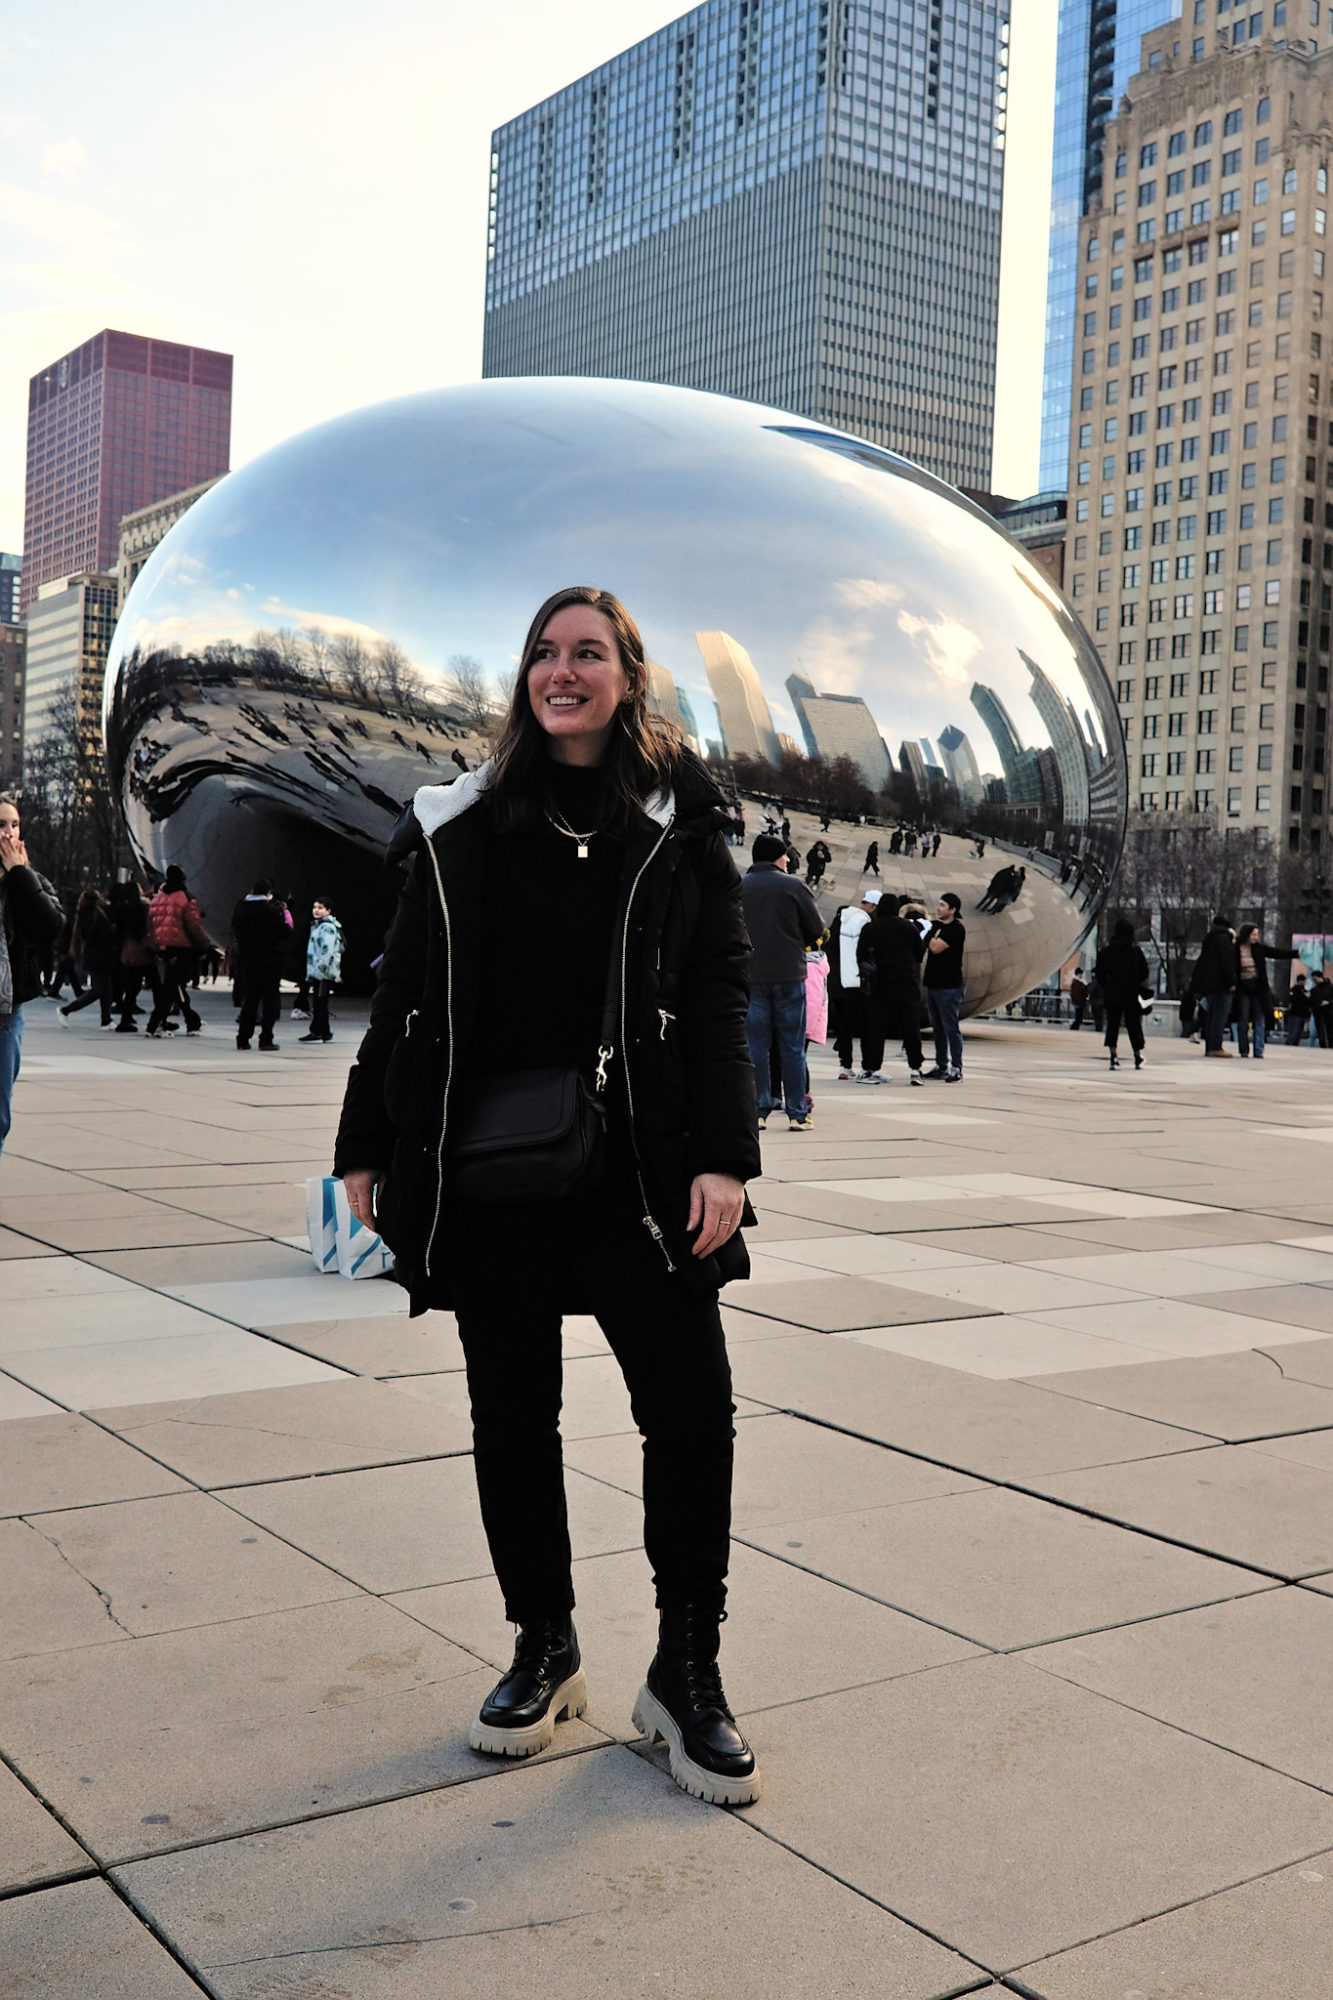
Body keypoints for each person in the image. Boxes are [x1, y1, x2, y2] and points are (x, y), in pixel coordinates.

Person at [334, 584, 762, 1808]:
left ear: (628, 675)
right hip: (490, 1171)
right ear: (523, 676)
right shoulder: (459, 822)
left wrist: (724, 1154)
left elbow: (725, 993)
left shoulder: (677, 824)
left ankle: (687, 1669)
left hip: (641, 1169)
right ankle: (545, 1644)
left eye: (588, 652)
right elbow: (402, 988)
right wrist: (364, 1142)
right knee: (511, 1416)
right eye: (543, 652)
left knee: (690, 1410)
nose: (561, 670)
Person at [742, 833, 824, 1131]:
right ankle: (798, 1113)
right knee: (791, 1047)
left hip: (752, 977)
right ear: (777, 857)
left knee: (756, 1047)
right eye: (786, 856)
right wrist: (793, 943)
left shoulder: (738, 886)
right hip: (790, 974)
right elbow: (817, 930)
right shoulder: (793, 885)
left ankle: (759, 1110)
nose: (789, 860)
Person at [0, 795, 63, 1157]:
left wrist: (20, 877)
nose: (8, 834)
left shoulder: (28, 881)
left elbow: (50, 928)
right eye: (1, 825)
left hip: (5, 1013)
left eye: (14, 825)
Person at [857, 892, 927, 1084]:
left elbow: (860, 955)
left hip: (879, 985)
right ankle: (915, 1069)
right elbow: (919, 953)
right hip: (906, 983)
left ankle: (871, 1068)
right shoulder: (909, 927)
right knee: (910, 1028)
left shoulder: (870, 928)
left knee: (875, 1028)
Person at [146, 866, 211, 1036]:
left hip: (162, 947)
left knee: (175, 986)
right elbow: (194, 926)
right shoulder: (186, 898)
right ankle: (155, 1025)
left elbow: (151, 923)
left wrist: (155, 944)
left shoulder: (158, 898)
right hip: (181, 947)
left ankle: (192, 1021)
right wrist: (204, 945)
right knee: (171, 988)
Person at [826, 891, 879, 1079]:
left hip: (838, 983)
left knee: (845, 1025)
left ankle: (845, 1065)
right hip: (857, 981)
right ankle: (867, 1066)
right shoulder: (863, 922)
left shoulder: (842, 920)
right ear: (873, 906)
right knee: (865, 1025)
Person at [232, 879, 288, 1051]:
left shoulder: (241, 909)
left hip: (249, 960)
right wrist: (284, 914)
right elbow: (285, 932)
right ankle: (265, 1039)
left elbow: (235, 930)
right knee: (270, 999)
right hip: (270, 961)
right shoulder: (270, 911)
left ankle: (243, 1038)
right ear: (268, 894)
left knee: (250, 999)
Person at [1232, 922, 1298, 1059]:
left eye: (1257, 934)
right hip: (1243, 987)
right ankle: (1243, 1049)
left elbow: (1276, 952)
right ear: (1246, 935)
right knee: (1242, 1018)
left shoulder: (1259, 949)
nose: (1256, 937)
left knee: (1259, 1018)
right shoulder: (1235, 949)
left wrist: (1295, 953)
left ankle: (1259, 1050)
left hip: (1258, 988)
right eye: (1253, 934)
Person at [1094, 920, 1150, 1071]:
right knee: (1133, 1025)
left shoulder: (1106, 952)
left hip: (1113, 993)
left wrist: (1108, 986)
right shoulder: (1135, 953)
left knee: (1112, 1025)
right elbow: (1144, 973)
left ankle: (1113, 1056)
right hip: (1131, 993)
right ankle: (1137, 1055)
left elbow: (1099, 975)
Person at [923, 892, 966, 1080]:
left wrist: (926, 930)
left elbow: (935, 947)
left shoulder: (956, 929)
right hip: (933, 985)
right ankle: (941, 1066)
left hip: (949, 987)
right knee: (937, 1028)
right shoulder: (936, 926)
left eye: (942, 905)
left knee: (950, 1027)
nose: (938, 908)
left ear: (952, 909)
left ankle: (956, 1067)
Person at [59, 890, 118, 1028]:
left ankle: (106, 1019)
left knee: (106, 989)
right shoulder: (96, 916)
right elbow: (106, 935)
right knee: (98, 990)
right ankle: (66, 1010)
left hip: (93, 955)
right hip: (99, 956)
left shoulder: (84, 915)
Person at [1188, 915, 1239, 1058]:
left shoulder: (1209, 939)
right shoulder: (1224, 940)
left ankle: (1210, 1046)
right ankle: (1216, 1047)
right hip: (1221, 984)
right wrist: (1232, 982)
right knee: (1220, 1017)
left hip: (1209, 985)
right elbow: (1227, 963)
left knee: (1211, 1016)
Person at [301, 897, 344, 1043]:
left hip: (323, 972)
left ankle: (317, 1031)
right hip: (318, 971)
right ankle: (324, 1032)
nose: (316, 910)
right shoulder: (320, 926)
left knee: (319, 1001)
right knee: (320, 1001)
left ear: (328, 911)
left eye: (320, 907)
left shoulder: (327, 927)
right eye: (315, 907)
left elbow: (328, 951)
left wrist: (320, 970)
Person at [1286, 971, 1314, 1046]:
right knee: (1293, 1031)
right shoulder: (1294, 990)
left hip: (1303, 1014)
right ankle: (1289, 1044)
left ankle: (1295, 1044)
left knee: (1299, 1033)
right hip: (1295, 1013)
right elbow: (1293, 999)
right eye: (1303, 981)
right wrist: (1304, 996)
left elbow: (1309, 1001)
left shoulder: (1305, 990)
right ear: (1300, 981)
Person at [1068, 967, 1088, 1031]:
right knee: (1079, 1017)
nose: (1082, 975)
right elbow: (1079, 992)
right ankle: (1074, 1028)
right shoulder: (1077, 983)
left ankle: (1074, 1028)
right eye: (1081, 974)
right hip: (1078, 1002)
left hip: (1079, 1002)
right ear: (1078, 974)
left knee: (1079, 1017)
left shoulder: (1077, 982)